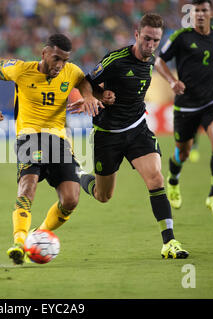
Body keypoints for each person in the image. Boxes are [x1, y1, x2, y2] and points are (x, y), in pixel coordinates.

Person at [72, 13, 189, 259]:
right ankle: (80, 175)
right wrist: (96, 95)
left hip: (137, 129)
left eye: (155, 40)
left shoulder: (151, 59)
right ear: (136, 35)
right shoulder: (115, 60)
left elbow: (157, 65)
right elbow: (86, 80)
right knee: (103, 196)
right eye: (146, 39)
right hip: (107, 134)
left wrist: (171, 82)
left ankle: (169, 241)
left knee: (156, 178)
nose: (150, 45)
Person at [0, 33, 102, 265]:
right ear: (44, 53)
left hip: (58, 140)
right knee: (27, 187)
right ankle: (19, 242)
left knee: (71, 199)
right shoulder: (21, 69)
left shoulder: (71, 71)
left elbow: (84, 82)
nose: (60, 65)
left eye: (65, 60)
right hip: (29, 137)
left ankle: (38, 235)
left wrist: (89, 96)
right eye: (56, 59)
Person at [155, 0, 213, 216]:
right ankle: (173, 180)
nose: (200, 14)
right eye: (196, 11)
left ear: (211, 13)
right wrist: (172, 81)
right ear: (191, 14)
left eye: (204, 10)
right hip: (186, 105)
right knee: (182, 153)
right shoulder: (181, 38)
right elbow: (159, 61)